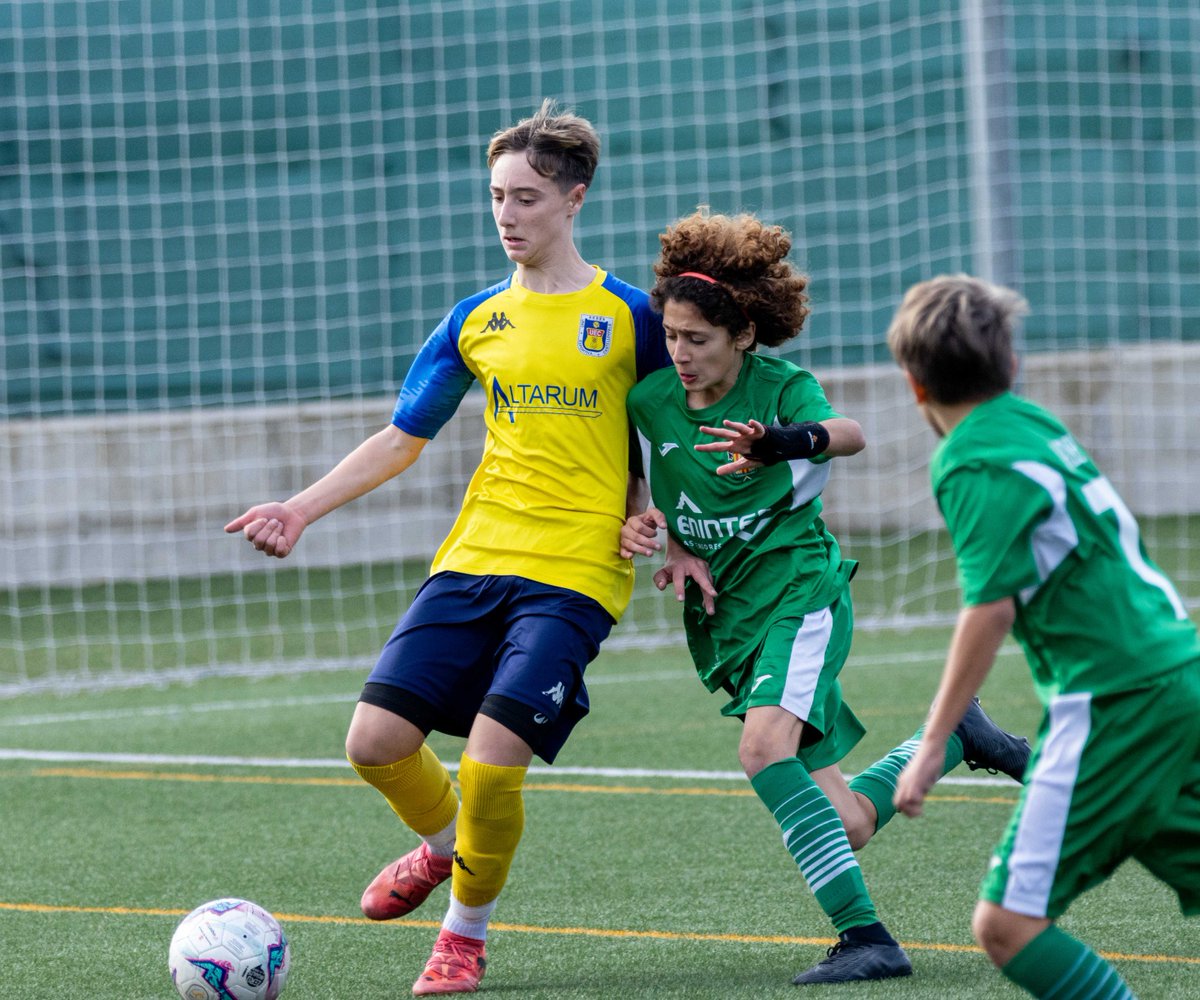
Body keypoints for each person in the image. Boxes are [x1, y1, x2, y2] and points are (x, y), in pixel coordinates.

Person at [226, 100, 670, 996]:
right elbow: (401, 436)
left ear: (575, 199)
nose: (509, 216)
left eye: (529, 199)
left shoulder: (629, 316)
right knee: (374, 741)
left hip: (576, 571)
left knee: (492, 759)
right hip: (474, 557)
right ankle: (442, 847)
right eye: (498, 197)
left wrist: (649, 512)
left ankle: (463, 939)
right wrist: (301, 508)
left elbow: (662, 437)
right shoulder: (474, 319)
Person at [620, 212, 1030, 986]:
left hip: (798, 592)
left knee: (761, 750)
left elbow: (847, 432)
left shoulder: (779, 387)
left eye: (697, 339)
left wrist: (779, 441)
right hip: (726, 614)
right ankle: (949, 744)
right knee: (844, 821)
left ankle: (866, 937)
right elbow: (645, 475)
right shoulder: (649, 400)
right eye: (671, 335)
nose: (680, 353)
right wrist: (667, 537)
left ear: (743, 335)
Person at [888, 274, 1200, 999]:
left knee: (1006, 924)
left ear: (913, 385)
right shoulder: (1036, 425)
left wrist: (934, 740)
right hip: (1176, 674)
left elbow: (989, 609)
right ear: (1013, 365)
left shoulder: (970, 458)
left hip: (1116, 699)